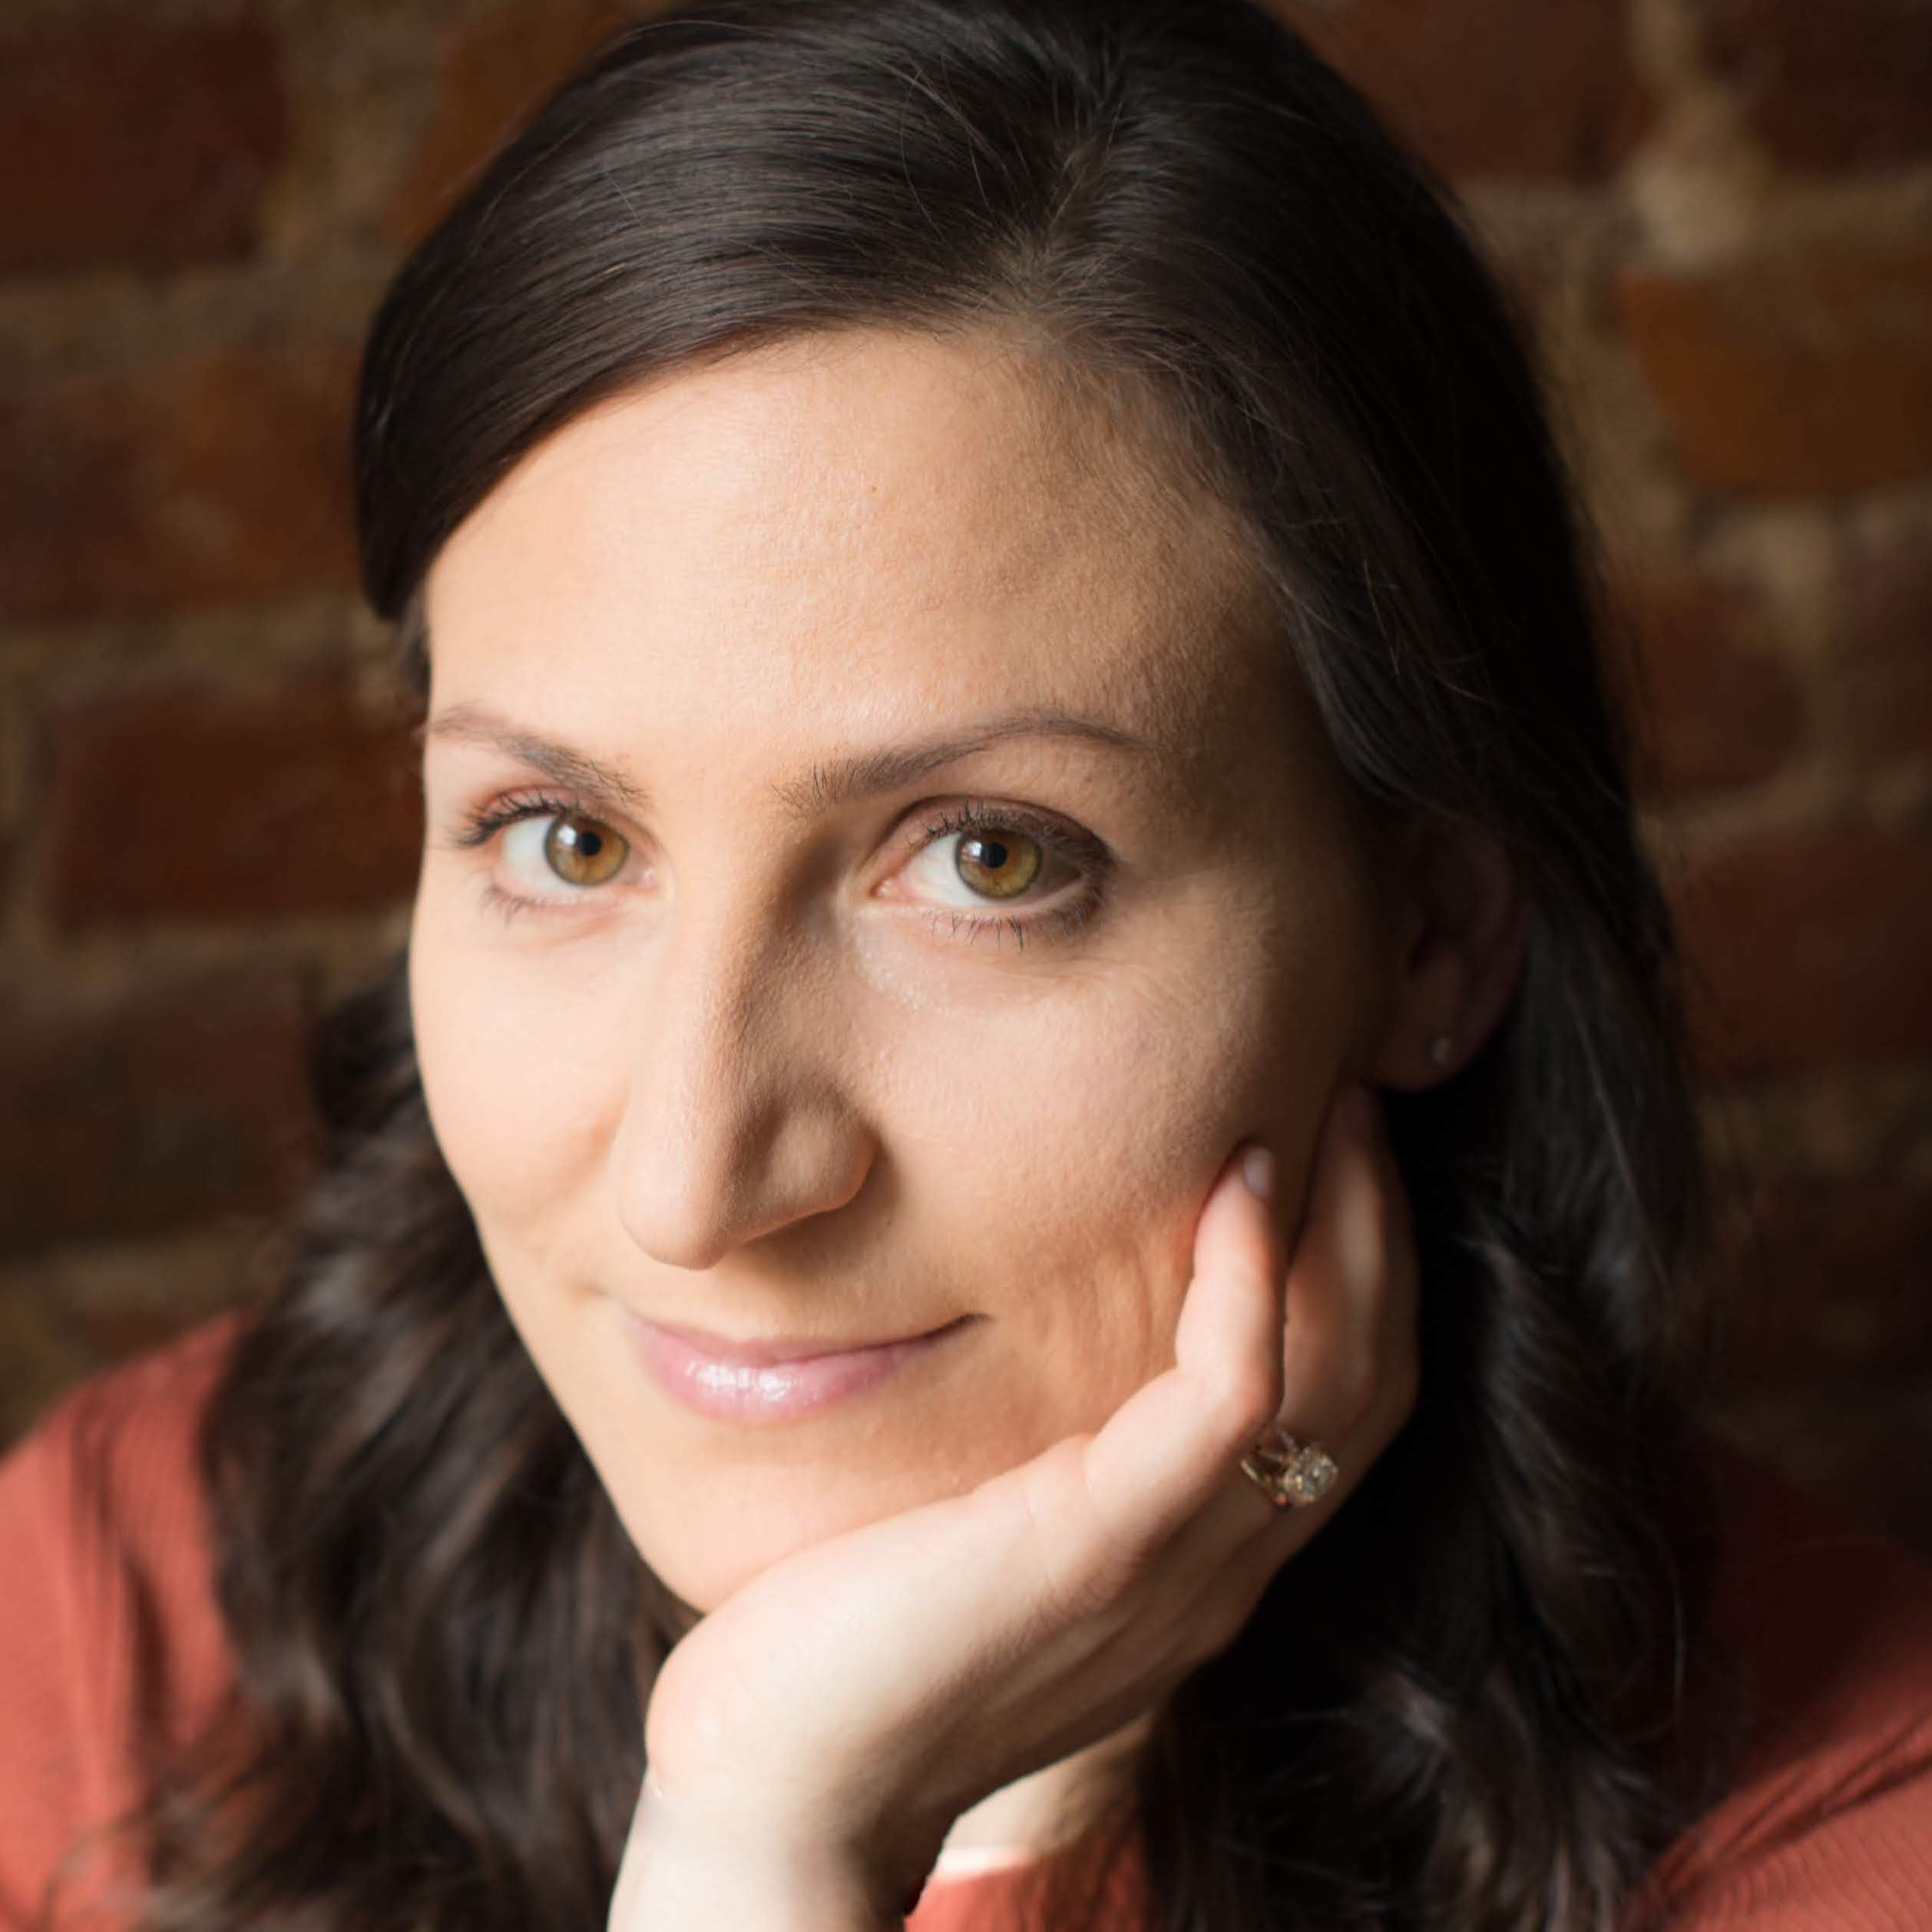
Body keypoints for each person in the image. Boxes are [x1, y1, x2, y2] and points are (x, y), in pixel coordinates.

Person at [5, 0, 1932, 1927]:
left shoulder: (1852, 1845)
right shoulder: (142, 1608)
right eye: (565, 839)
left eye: (987, 860)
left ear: (1423, 933)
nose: (695, 1183)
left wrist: (775, 1836)